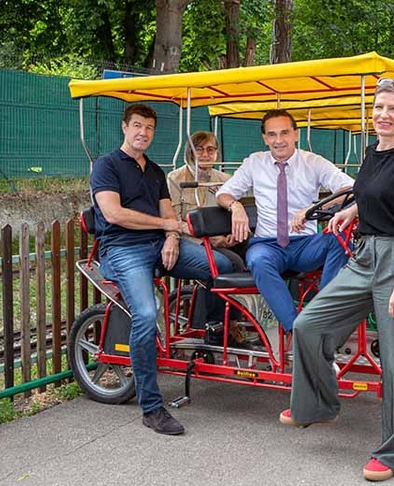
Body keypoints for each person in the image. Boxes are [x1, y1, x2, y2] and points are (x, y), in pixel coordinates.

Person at [278, 79, 394, 482]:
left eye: (393, 109)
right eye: (379, 107)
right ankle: (318, 406)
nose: (384, 114)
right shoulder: (372, 154)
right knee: (309, 325)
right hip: (365, 255)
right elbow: (373, 199)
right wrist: (352, 213)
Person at [90, 104, 232, 436]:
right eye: (137, 125)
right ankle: (152, 407)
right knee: (145, 312)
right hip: (123, 249)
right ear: (124, 127)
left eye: (149, 128)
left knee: (221, 267)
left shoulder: (154, 171)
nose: (143, 132)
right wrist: (166, 225)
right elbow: (114, 214)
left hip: (158, 246)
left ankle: (209, 332)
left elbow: (169, 213)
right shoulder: (106, 166)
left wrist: (170, 236)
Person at [215, 109, 355, 332]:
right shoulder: (255, 162)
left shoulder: (313, 162)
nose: (278, 140)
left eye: (284, 133)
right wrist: (236, 206)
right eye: (272, 135)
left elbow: (349, 187)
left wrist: (313, 208)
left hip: (305, 244)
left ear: (296, 134)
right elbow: (223, 193)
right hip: (267, 244)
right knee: (259, 261)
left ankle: (321, 315)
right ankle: (299, 329)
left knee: (340, 240)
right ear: (264, 138)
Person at [166, 130, 257, 347]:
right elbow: (174, 220)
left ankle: (248, 316)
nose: (206, 155)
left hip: (221, 238)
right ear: (190, 152)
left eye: (211, 150)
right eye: (200, 150)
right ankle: (219, 326)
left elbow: (231, 215)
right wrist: (207, 236)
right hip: (193, 239)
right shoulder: (176, 179)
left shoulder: (224, 180)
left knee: (258, 252)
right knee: (229, 263)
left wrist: (231, 235)